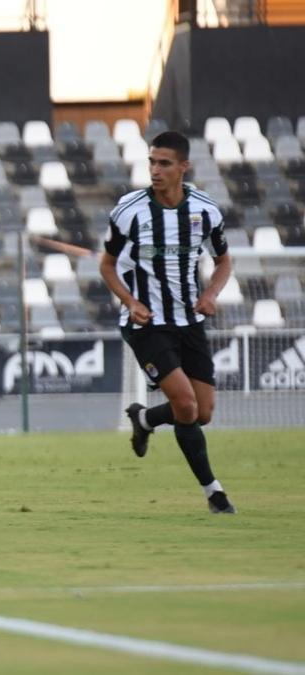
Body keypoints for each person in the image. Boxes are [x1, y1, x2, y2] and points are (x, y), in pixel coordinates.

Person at [100, 130, 236, 514]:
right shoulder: (129, 210)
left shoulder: (206, 210)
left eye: (164, 164)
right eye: (151, 162)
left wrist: (210, 295)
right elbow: (107, 265)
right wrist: (130, 301)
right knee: (187, 406)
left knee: (202, 412)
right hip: (146, 323)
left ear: (183, 167)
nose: (155, 171)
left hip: (188, 321)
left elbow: (223, 261)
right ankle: (215, 494)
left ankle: (144, 418)